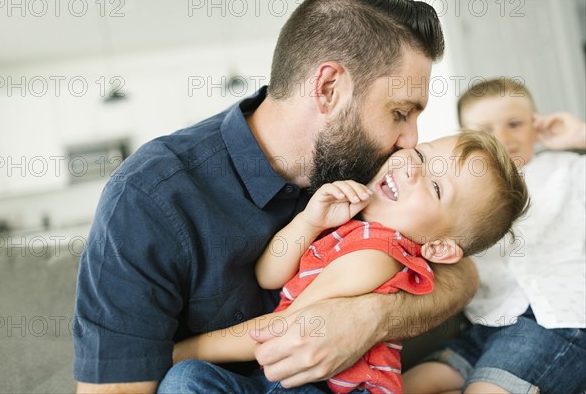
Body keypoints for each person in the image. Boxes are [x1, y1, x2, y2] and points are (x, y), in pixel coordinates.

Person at [73, 0, 480, 393]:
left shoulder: (372, 174)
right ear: (328, 88)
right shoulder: (149, 198)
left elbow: (461, 272)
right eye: (399, 113)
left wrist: (370, 317)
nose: (410, 141)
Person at [160, 130, 530, 394]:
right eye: (422, 155)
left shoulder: (376, 258)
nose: (413, 170)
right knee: (187, 381)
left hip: (320, 384)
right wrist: (309, 222)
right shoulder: (354, 222)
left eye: (436, 188)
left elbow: (282, 329)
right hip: (288, 375)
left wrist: (180, 350)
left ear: (439, 248)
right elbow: (268, 275)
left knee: (184, 374)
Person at [402, 78, 586, 394]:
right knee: (408, 385)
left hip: (555, 320)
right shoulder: (463, 194)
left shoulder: (566, 169)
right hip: (488, 322)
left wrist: (579, 135)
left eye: (515, 124)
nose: (502, 137)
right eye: (485, 130)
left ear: (536, 124)